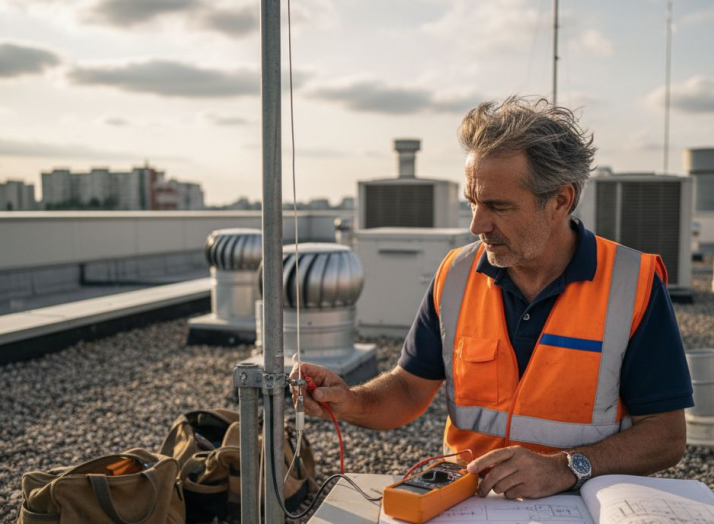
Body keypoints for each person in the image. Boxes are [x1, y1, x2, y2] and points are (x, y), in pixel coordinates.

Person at [292, 96, 693, 499]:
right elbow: (410, 389)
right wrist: (349, 400)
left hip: (584, 509)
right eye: (472, 202)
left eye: (498, 206)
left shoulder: (631, 282)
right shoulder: (456, 273)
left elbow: (666, 436)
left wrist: (566, 468)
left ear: (560, 200)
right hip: (467, 503)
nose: (476, 225)